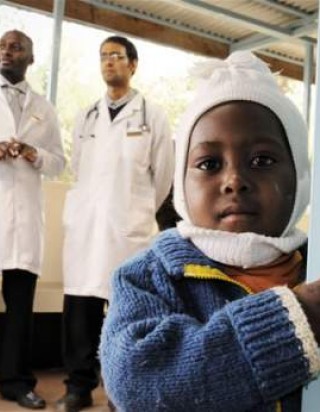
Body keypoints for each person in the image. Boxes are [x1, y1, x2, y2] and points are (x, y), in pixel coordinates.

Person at [99, 51, 320, 412]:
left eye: (262, 160)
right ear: (181, 184)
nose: (234, 180)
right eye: (208, 164)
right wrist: (303, 318)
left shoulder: (313, 268)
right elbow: (137, 381)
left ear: (300, 177)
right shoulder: (146, 278)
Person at [58, 36, 174, 411]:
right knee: (80, 309)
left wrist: (136, 210)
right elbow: (80, 168)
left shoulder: (151, 115)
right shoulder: (86, 115)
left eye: (117, 56)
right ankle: (78, 386)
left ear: (133, 64)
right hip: (87, 226)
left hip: (129, 227)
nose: (109, 62)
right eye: (104, 56)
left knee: (125, 312)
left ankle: (120, 389)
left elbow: (164, 177)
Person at [0, 30, 65, 409]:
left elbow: (58, 162)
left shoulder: (44, 107)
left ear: (31, 57)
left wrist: (32, 152)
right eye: (3, 46)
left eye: (16, 47)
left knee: (20, 307)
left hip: (24, 219)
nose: (7, 52)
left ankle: (15, 381)